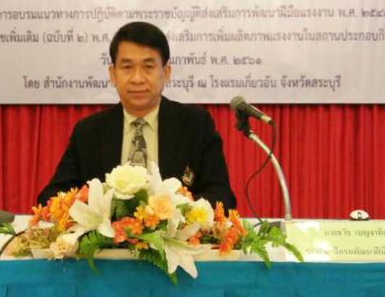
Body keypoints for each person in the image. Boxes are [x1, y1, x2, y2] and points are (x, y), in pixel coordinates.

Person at [37, 21, 236, 208]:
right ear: (113, 74)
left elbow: (222, 196)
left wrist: (178, 209)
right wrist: (93, 206)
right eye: (127, 67)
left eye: (148, 67)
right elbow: (51, 195)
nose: (137, 78)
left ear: (166, 72)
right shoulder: (89, 131)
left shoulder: (195, 125)